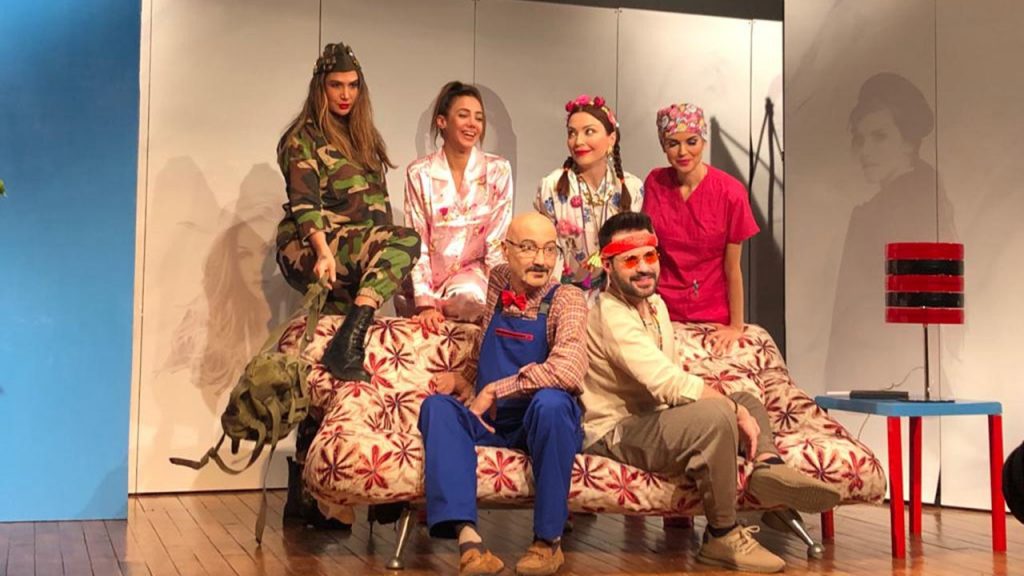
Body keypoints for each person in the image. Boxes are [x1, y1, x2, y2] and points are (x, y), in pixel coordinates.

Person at [581, 212, 841, 573]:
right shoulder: (609, 313)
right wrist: (731, 411)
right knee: (720, 412)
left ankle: (768, 469)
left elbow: (673, 376)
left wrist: (736, 406)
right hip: (616, 430)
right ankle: (722, 534)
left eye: (650, 256)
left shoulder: (655, 305)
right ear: (608, 266)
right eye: (630, 260)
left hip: (653, 418)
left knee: (745, 397)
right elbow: (665, 383)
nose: (643, 268)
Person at [417, 213, 587, 576]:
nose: (541, 260)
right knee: (437, 408)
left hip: (540, 423)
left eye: (549, 250)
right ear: (505, 251)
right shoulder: (498, 280)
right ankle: (469, 543)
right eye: (528, 248)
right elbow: (484, 342)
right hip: (493, 421)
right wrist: (466, 378)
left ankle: (548, 542)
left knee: (553, 403)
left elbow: (568, 371)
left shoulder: (568, 298)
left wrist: (497, 388)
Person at [275, 41, 421, 382]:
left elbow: (378, 211)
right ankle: (345, 346)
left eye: (353, 85)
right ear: (320, 88)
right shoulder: (303, 137)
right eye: (336, 85)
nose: (345, 94)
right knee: (407, 240)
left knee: (332, 357)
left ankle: (335, 371)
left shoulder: (364, 139)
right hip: (314, 246)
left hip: (351, 249)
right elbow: (304, 203)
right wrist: (322, 251)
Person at [641, 103, 758, 355]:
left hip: (712, 314)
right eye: (673, 144)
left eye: (691, 142)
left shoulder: (731, 192)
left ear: (704, 141)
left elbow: (733, 268)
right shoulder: (655, 183)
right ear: (663, 146)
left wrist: (736, 326)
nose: (683, 152)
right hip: (660, 310)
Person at [405, 81, 513, 330]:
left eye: (479, 118)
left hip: (473, 284)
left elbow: (497, 241)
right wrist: (425, 303)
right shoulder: (419, 173)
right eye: (463, 115)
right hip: (427, 282)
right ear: (442, 121)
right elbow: (417, 237)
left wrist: (501, 298)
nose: (473, 124)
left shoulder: (497, 170)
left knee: (469, 295)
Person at [535, 94, 643, 301]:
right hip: (563, 295)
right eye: (572, 133)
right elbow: (547, 251)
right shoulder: (552, 186)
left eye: (589, 131)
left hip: (616, 295)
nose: (578, 141)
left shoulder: (631, 187)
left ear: (611, 139)